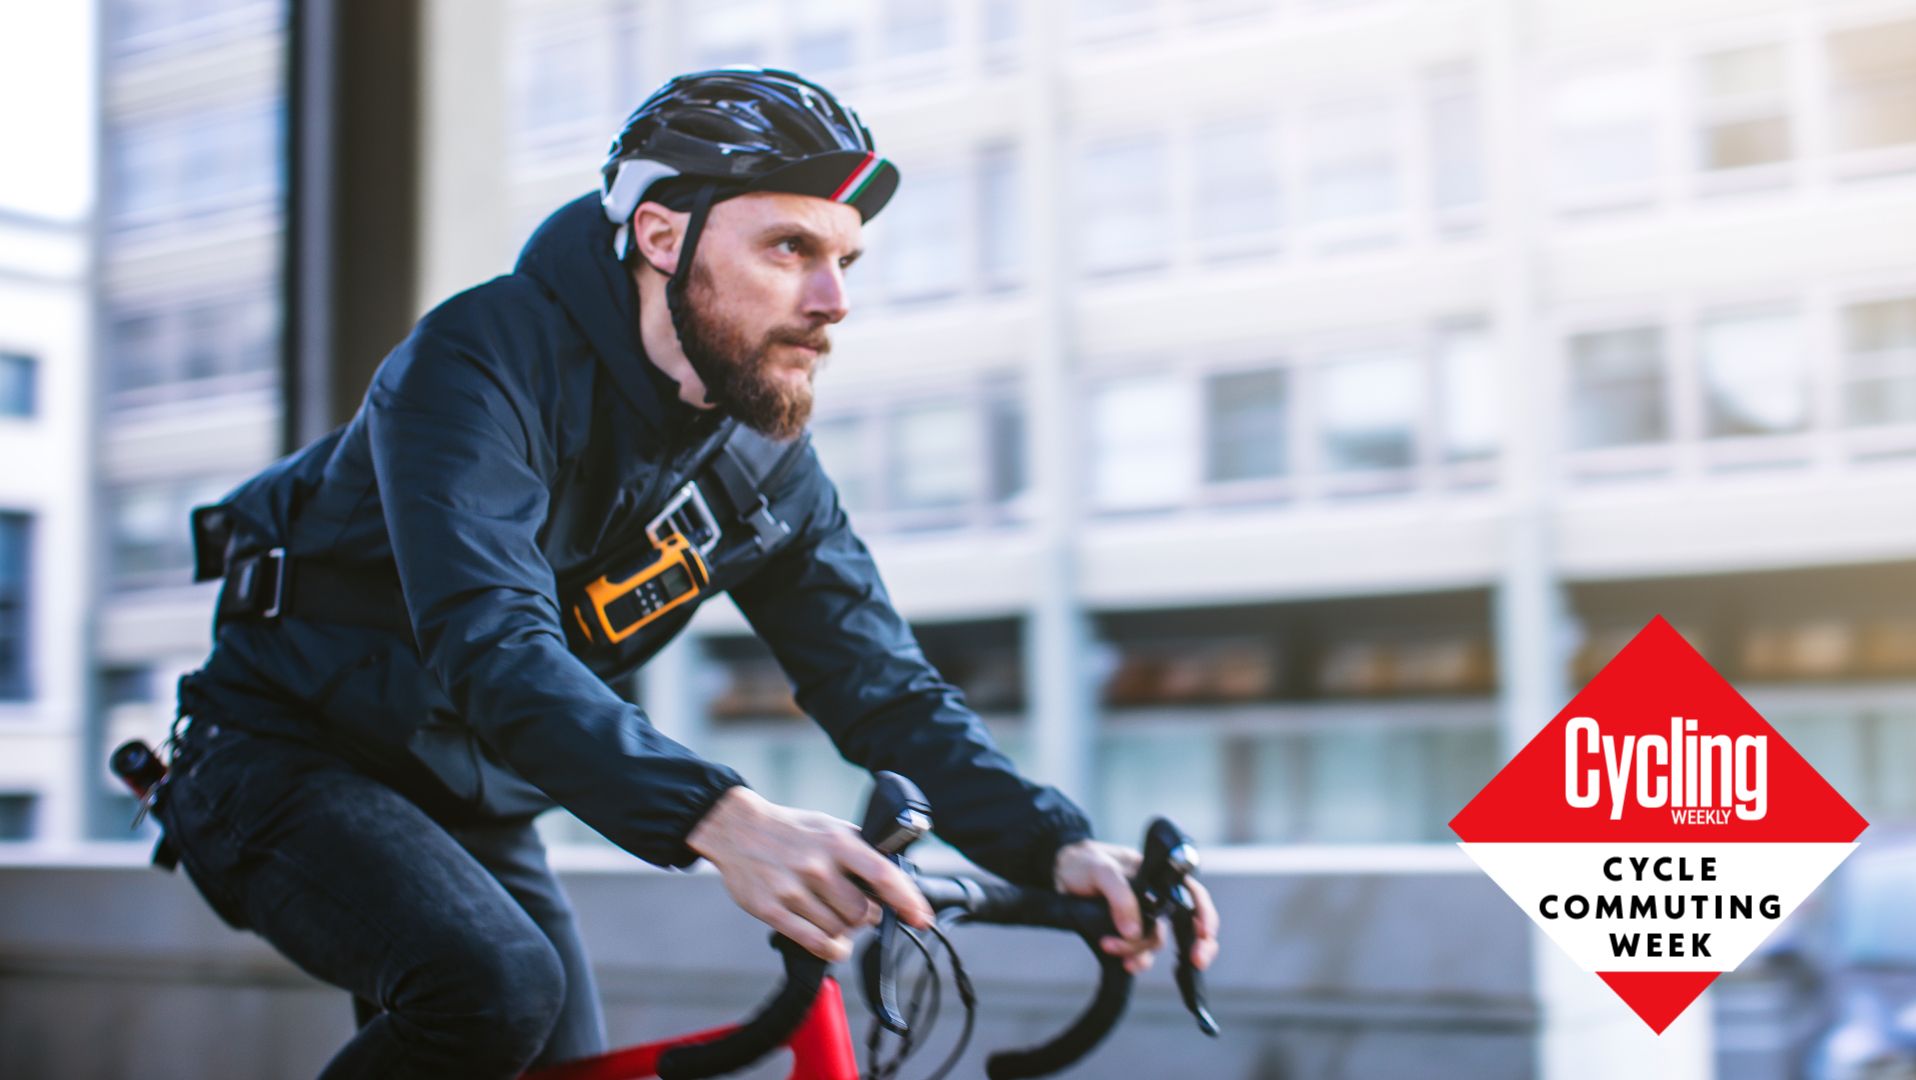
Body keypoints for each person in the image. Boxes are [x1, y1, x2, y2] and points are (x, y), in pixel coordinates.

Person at [153, 67, 1219, 1079]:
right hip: (281, 758)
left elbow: (883, 688)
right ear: (663, 237)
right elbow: (493, 646)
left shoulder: (764, 464)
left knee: (555, 1064)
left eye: (848, 260)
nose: (832, 297)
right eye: (792, 247)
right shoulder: (482, 361)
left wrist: (1056, 846)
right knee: (492, 987)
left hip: (474, 803)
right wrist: (729, 821)